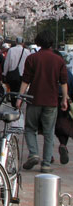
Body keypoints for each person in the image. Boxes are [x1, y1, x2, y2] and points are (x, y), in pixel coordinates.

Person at [16, 31, 69, 173]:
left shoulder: (32, 58)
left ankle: (34, 153)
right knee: (49, 132)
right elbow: (64, 82)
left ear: (38, 42)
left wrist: (20, 98)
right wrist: (64, 99)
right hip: (51, 101)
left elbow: (26, 80)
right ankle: (46, 164)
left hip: (34, 99)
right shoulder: (58, 60)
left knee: (30, 128)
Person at [54, 60, 73, 164]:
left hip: (49, 101)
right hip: (63, 103)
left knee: (48, 129)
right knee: (63, 127)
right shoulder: (68, 73)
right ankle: (63, 144)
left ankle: (48, 155)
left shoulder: (50, 71)